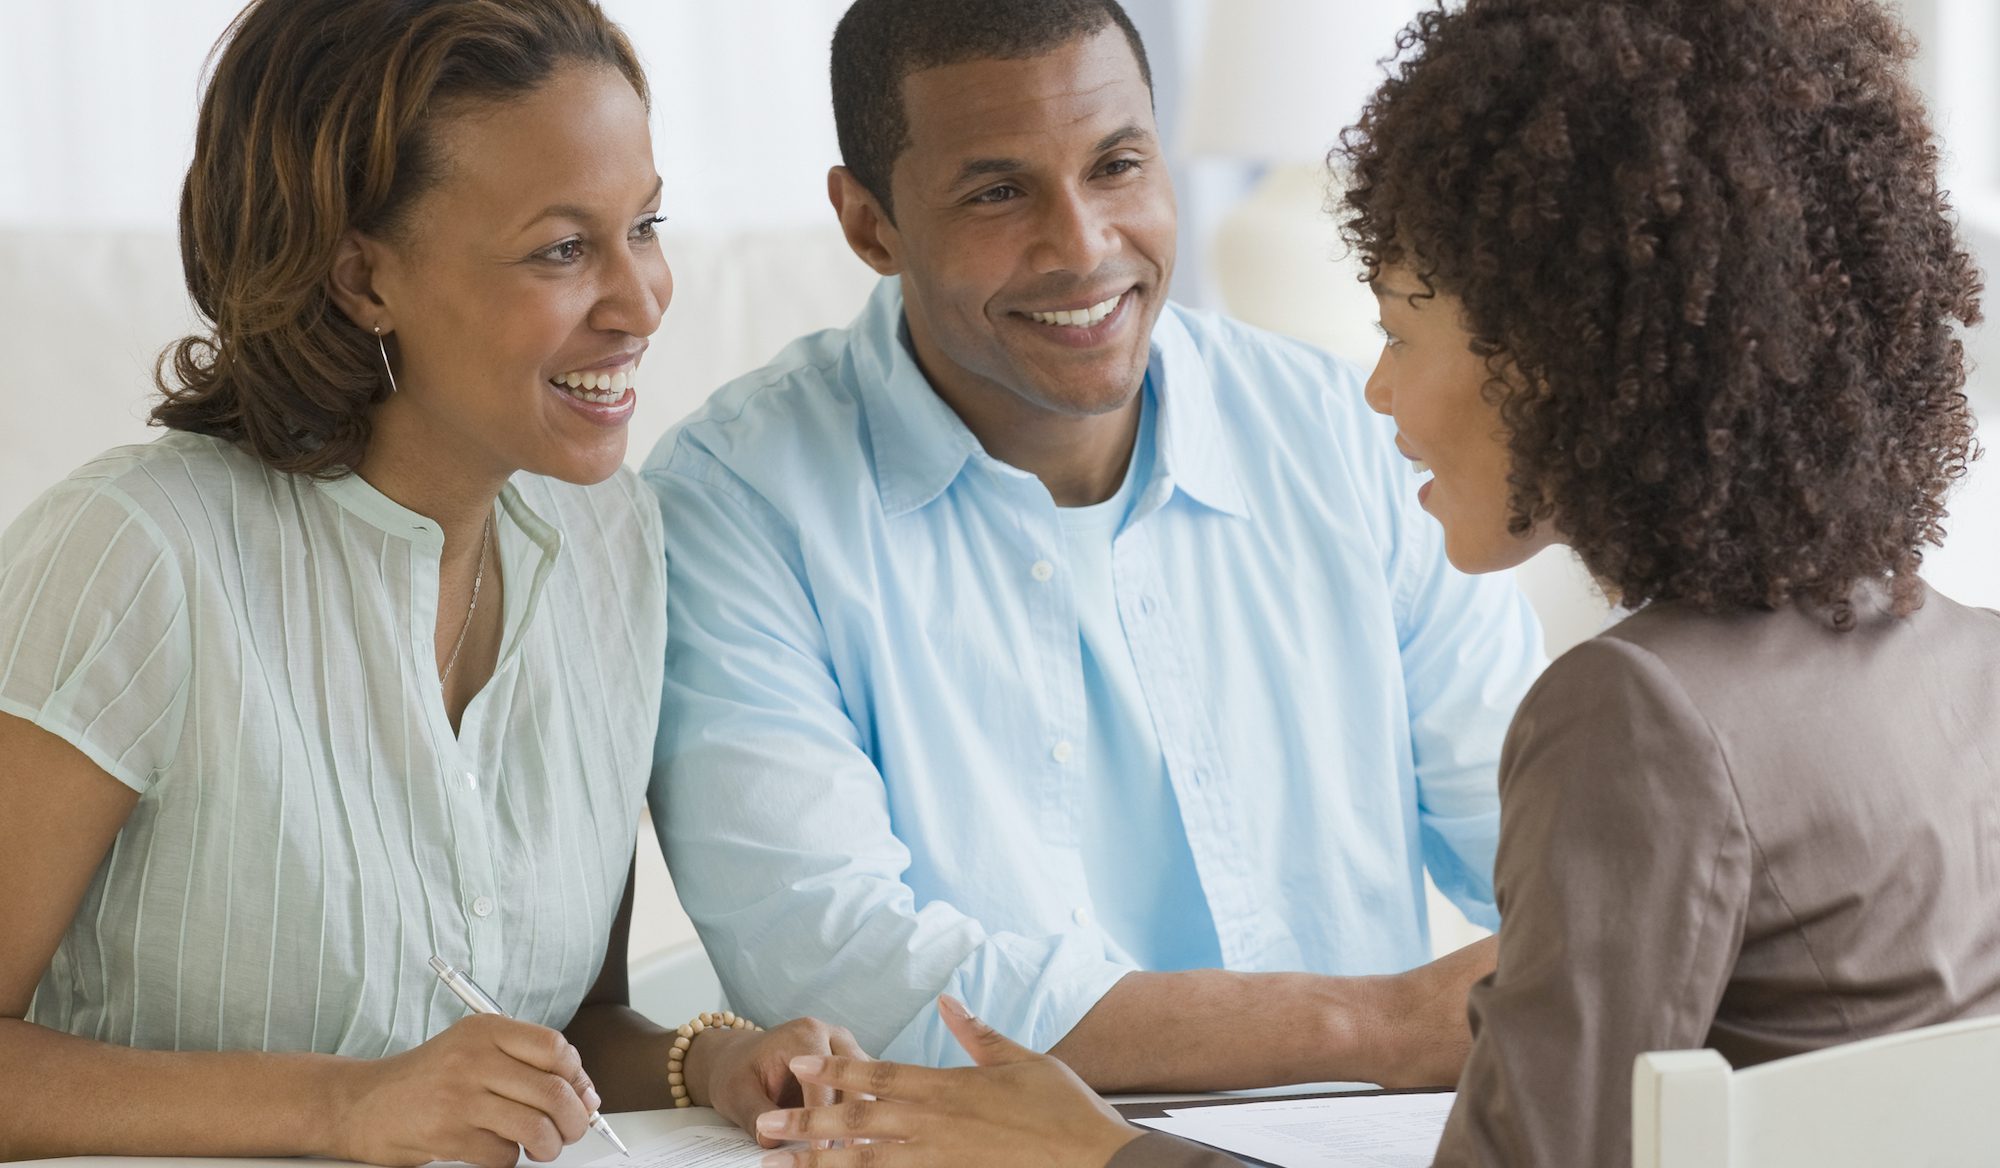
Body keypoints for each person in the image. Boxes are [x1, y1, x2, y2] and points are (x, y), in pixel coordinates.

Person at [747, 0, 2000, 1164]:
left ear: (1560, 359)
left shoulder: (1633, 713)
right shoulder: (1964, 657)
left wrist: (1098, 1151)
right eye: (997, 190)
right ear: (869, 222)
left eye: (1400, 329)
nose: (1375, 391)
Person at [0, 2, 863, 1163]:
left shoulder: (610, 540)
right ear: (362, 277)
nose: (642, 298)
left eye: (643, 225)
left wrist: (705, 1060)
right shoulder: (138, 555)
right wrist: (340, 1106)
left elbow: (560, 1027)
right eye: (563, 248)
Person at [644, 0, 1545, 1098]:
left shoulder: (1338, 435)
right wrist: (1372, 1025)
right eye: (996, 191)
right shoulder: (730, 505)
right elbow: (847, 978)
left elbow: (1548, 846)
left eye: (1116, 165)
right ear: (869, 225)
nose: (1081, 247)